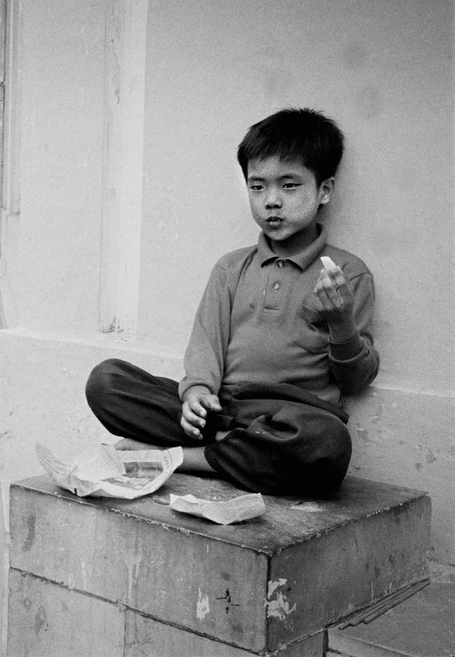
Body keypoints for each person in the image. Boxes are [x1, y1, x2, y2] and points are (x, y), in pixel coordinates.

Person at [85, 108, 379, 497]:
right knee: (107, 381)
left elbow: (356, 379)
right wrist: (196, 395)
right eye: (257, 187)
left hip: (288, 420)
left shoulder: (347, 273)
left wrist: (340, 322)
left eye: (289, 186)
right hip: (219, 411)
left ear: (324, 190)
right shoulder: (230, 268)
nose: (271, 201)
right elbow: (206, 344)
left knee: (328, 443)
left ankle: (178, 458)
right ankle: (222, 450)